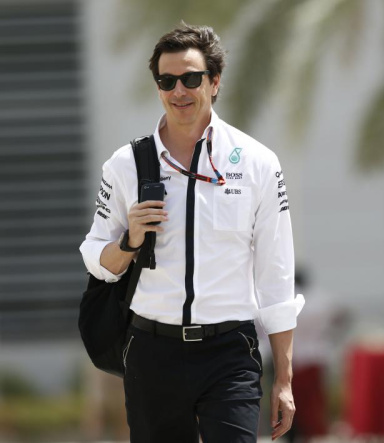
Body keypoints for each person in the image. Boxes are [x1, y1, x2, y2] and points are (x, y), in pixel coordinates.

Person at [80, 23, 304, 443]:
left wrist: (284, 379)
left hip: (230, 352)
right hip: (152, 350)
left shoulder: (257, 163)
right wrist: (129, 241)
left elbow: (276, 276)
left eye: (190, 78)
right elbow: (97, 260)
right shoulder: (126, 164)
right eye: (166, 81)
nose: (178, 90)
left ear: (214, 82)